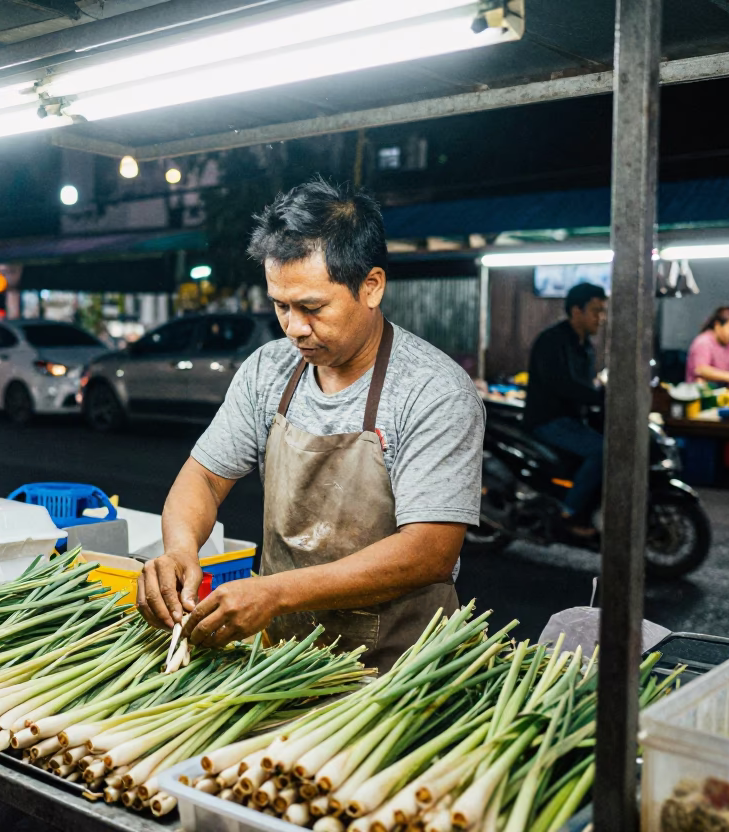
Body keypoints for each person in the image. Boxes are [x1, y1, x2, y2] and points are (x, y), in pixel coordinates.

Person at [137, 178, 485, 673]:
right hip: (282, 656)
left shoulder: (434, 390)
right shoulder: (267, 371)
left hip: (395, 672)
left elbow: (427, 551)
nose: (295, 327)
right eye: (281, 305)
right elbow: (205, 477)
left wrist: (275, 592)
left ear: (371, 286)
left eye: (312, 307)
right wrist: (178, 551)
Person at [522, 282, 608, 537]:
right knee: (603, 450)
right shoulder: (553, 340)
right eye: (596, 311)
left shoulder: (585, 346)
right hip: (548, 420)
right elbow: (564, 385)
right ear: (576, 311)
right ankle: (568, 513)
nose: (601, 318)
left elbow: (586, 385)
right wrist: (601, 398)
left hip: (572, 420)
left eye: (603, 311)